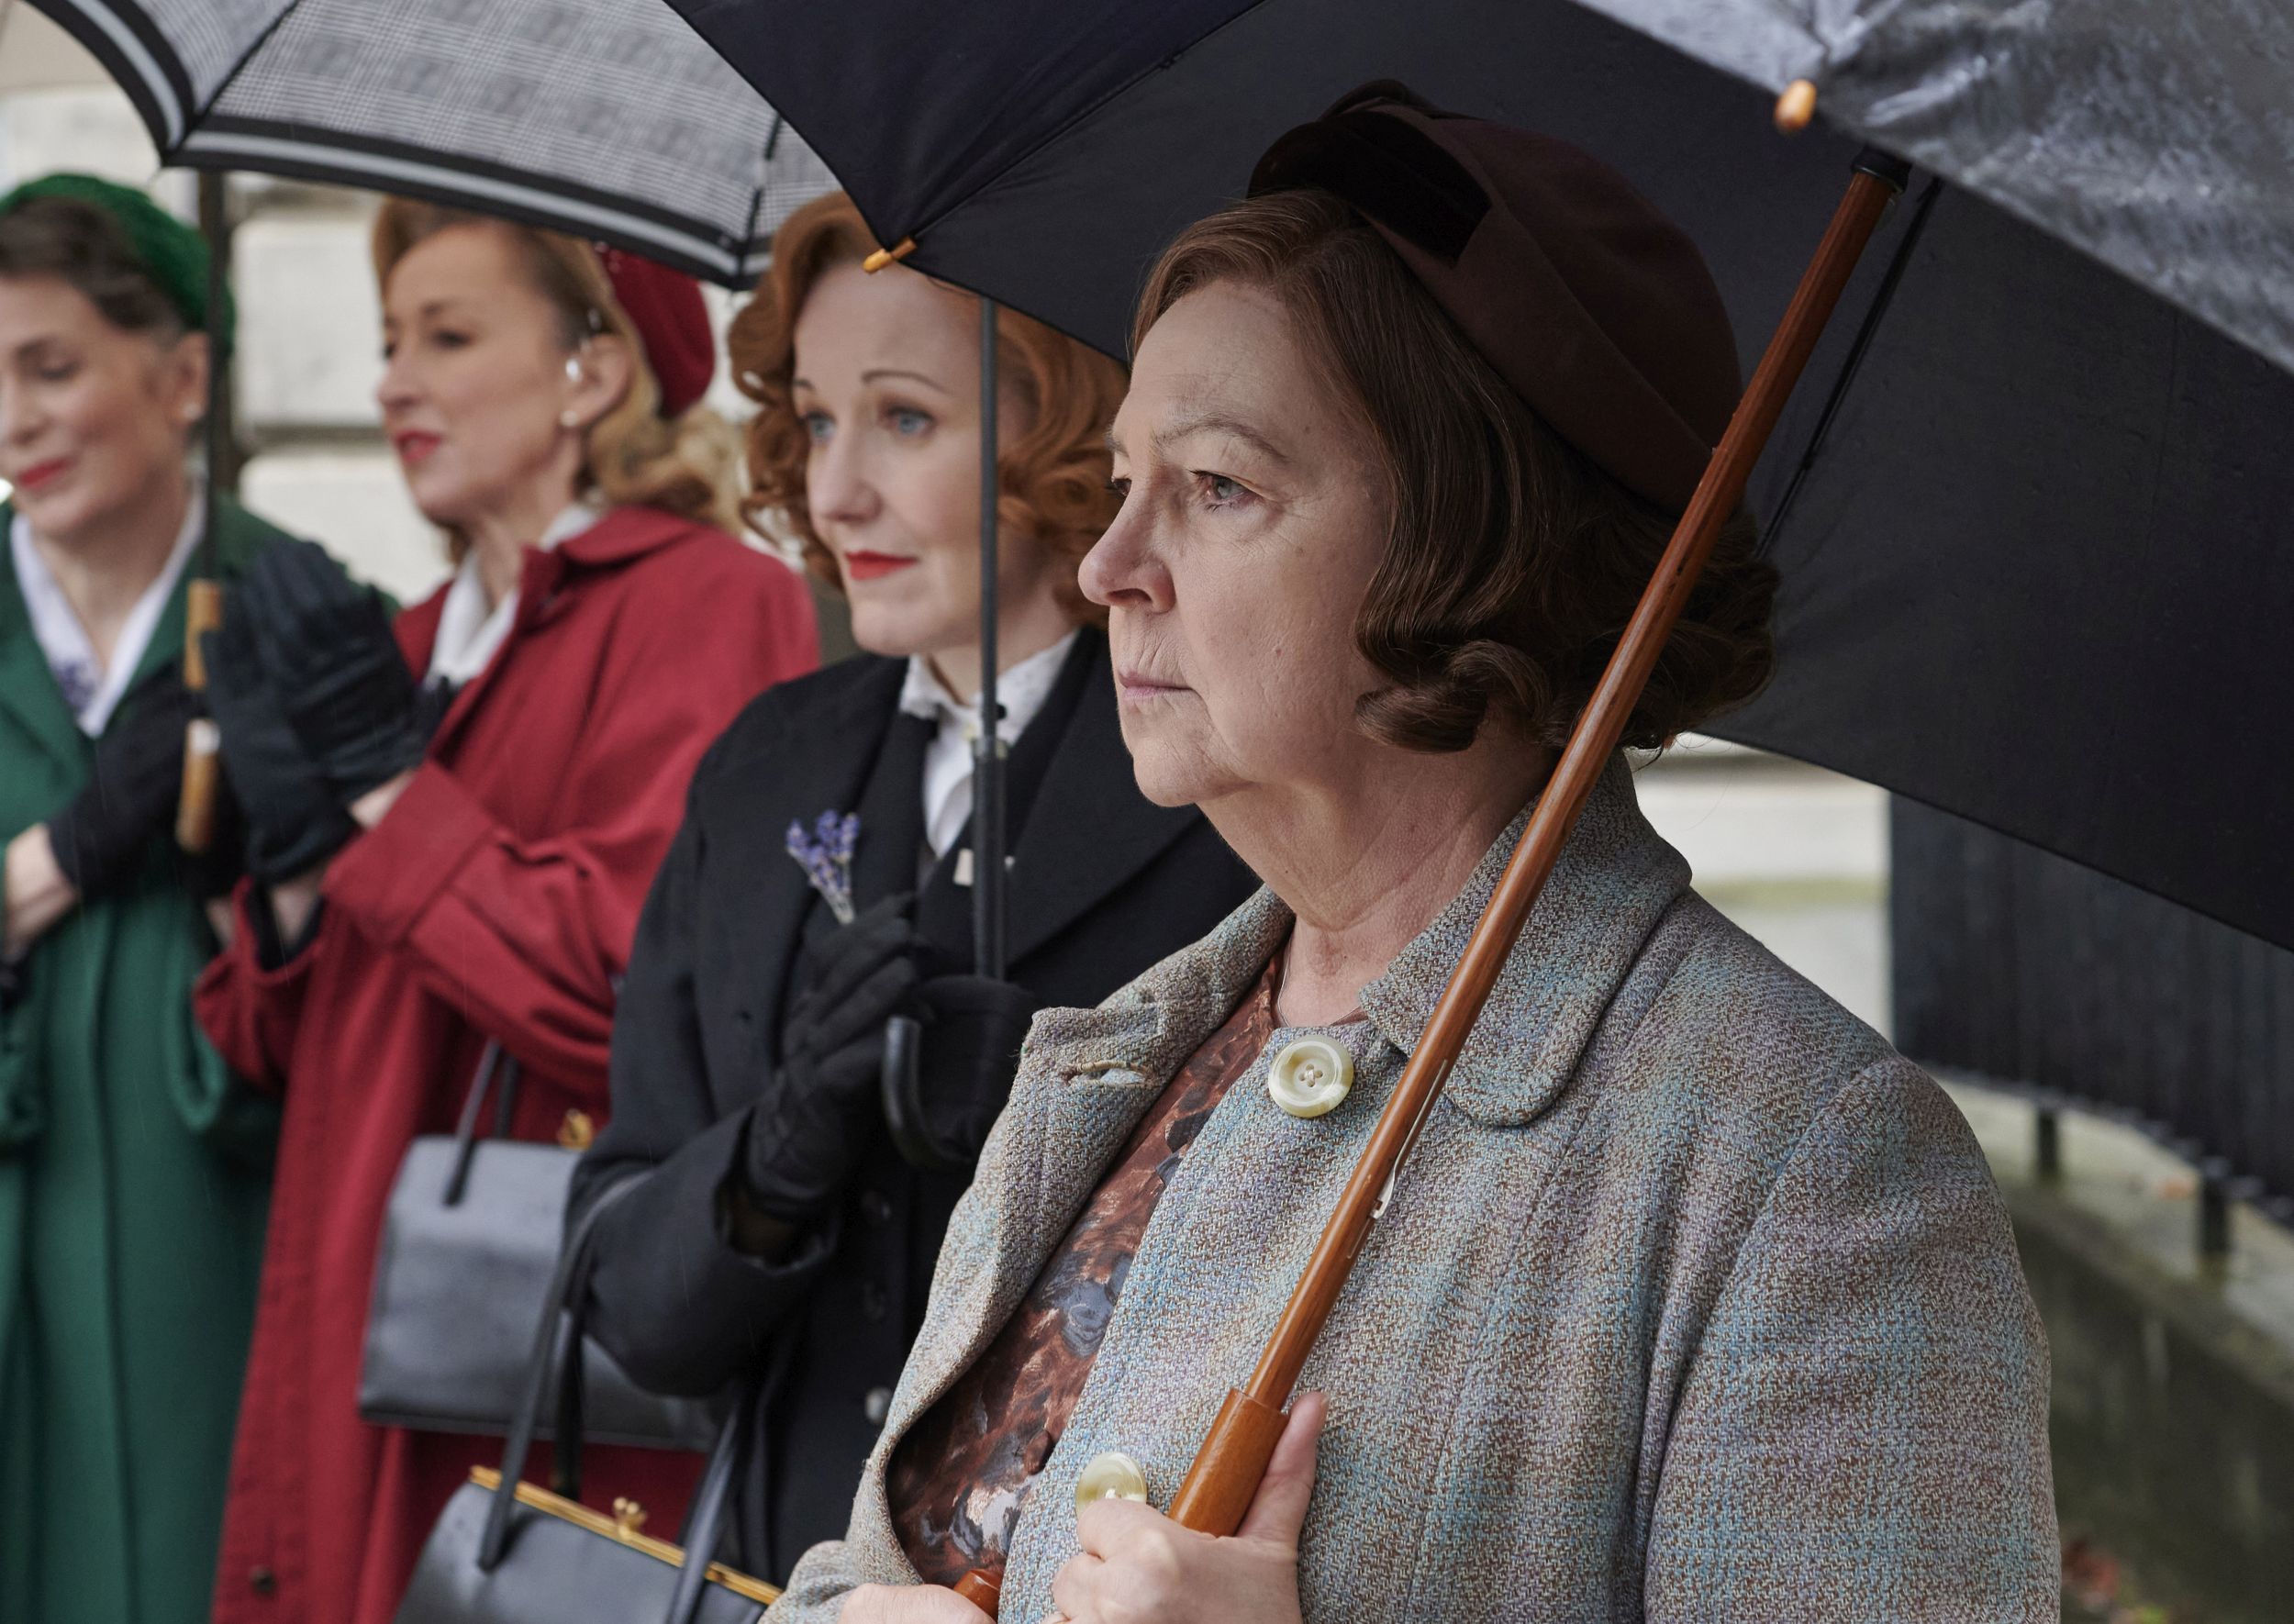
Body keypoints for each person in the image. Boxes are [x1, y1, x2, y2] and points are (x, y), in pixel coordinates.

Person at [775, 86, 2058, 1624]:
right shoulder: (1115, 1066)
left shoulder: (1810, 1176)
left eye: (1218, 487)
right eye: (1123, 483)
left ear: (1470, 549)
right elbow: (884, 1554)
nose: (1110, 566)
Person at [570, 191, 1257, 1584]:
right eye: (819, 421)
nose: (835, 493)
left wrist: (1056, 1132)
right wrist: (768, 1166)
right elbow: (624, 1300)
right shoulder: (764, 772)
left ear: (1066, 429)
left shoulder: (1222, 784)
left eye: (904, 419)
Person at [192, 200, 819, 1624]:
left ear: (592, 369)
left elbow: (626, 992)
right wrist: (291, 867)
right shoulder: (407, 647)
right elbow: (277, 1050)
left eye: (449, 335)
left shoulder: (709, 602)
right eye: (388, 341)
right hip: (354, 1323)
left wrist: (379, 791)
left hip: (533, 1359)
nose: (391, 382)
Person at [0, 172, 284, 1624]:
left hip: (215, 1259)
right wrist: (51, 863)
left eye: (51, 368)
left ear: (180, 375)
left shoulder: (302, 613)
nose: (15, 418)